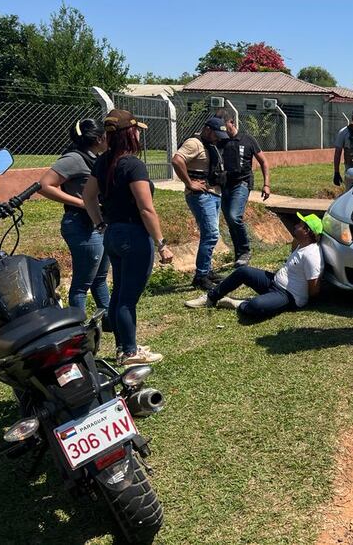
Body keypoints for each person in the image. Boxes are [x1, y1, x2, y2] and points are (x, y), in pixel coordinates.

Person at [83, 109, 174, 366]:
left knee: (119, 292)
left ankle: (124, 348)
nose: (138, 135)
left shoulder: (102, 162)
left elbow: (88, 196)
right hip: (134, 235)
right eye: (136, 130)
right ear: (129, 133)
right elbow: (146, 208)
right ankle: (130, 352)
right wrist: (162, 244)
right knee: (127, 298)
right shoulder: (133, 164)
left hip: (112, 233)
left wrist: (100, 224)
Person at [185, 213, 323, 322]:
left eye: (300, 224)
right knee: (243, 271)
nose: (295, 225)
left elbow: (314, 289)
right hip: (274, 282)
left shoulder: (312, 255)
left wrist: (301, 300)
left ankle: (238, 303)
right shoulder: (301, 244)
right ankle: (211, 298)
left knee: (256, 306)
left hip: (288, 295)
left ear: (306, 231)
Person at [39, 119, 110, 314]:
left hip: (98, 224)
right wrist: (82, 203)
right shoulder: (74, 159)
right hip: (82, 225)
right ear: (98, 138)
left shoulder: (94, 157)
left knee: (100, 279)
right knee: (82, 285)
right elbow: (44, 186)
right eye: (106, 135)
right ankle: (78, 331)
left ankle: (110, 321)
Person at [171, 117, 230, 289]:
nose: (218, 138)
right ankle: (201, 276)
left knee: (211, 234)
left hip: (213, 193)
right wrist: (189, 183)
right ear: (207, 130)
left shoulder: (209, 144)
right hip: (201, 196)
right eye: (216, 134)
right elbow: (177, 160)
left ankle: (207, 270)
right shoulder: (194, 143)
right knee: (211, 234)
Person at [212, 108, 271, 266]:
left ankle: (245, 251)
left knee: (234, 216)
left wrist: (266, 184)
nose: (221, 131)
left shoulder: (247, 139)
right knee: (230, 221)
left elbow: (264, 161)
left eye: (224, 126)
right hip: (224, 185)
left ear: (231, 122)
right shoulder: (219, 141)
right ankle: (239, 255)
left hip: (242, 183)